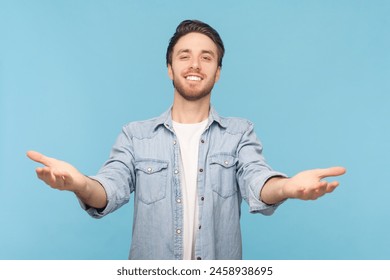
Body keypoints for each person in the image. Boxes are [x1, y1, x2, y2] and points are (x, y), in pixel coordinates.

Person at [27, 19, 346, 260]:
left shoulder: (239, 133)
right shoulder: (135, 135)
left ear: (218, 72)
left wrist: (288, 187)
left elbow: (257, 180)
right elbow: (109, 189)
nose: (195, 64)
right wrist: (79, 184)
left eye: (206, 57)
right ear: (169, 68)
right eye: (185, 56)